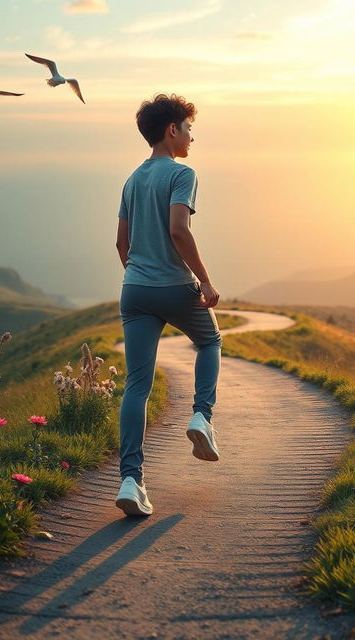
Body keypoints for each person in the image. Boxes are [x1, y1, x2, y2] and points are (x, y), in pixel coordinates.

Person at [114, 93, 222, 517]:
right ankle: (201, 417)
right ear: (172, 130)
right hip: (175, 287)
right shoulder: (182, 174)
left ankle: (130, 480)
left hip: (134, 290)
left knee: (136, 386)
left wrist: (138, 275)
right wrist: (205, 280)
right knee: (210, 341)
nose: (192, 138)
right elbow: (179, 230)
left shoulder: (131, 180)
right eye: (189, 128)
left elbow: (121, 243)